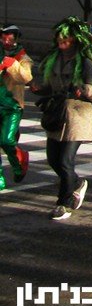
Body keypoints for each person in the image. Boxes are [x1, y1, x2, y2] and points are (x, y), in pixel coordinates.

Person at [29, 17, 92, 220]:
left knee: (65, 161)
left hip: (76, 118)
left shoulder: (85, 63)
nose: (63, 43)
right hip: (56, 115)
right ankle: (77, 183)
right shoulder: (54, 59)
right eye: (60, 39)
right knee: (53, 160)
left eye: (67, 39)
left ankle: (64, 203)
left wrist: (83, 89)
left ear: (75, 40)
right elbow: (47, 85)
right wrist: (37, 87)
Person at [0, 24, 32, 189]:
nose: (6, 41)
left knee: (6, 140)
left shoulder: (23, 58)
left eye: (10, 38)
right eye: (3, 37)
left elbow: (26, 77)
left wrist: (10, 64)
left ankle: (19, 162)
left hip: (12, 106)